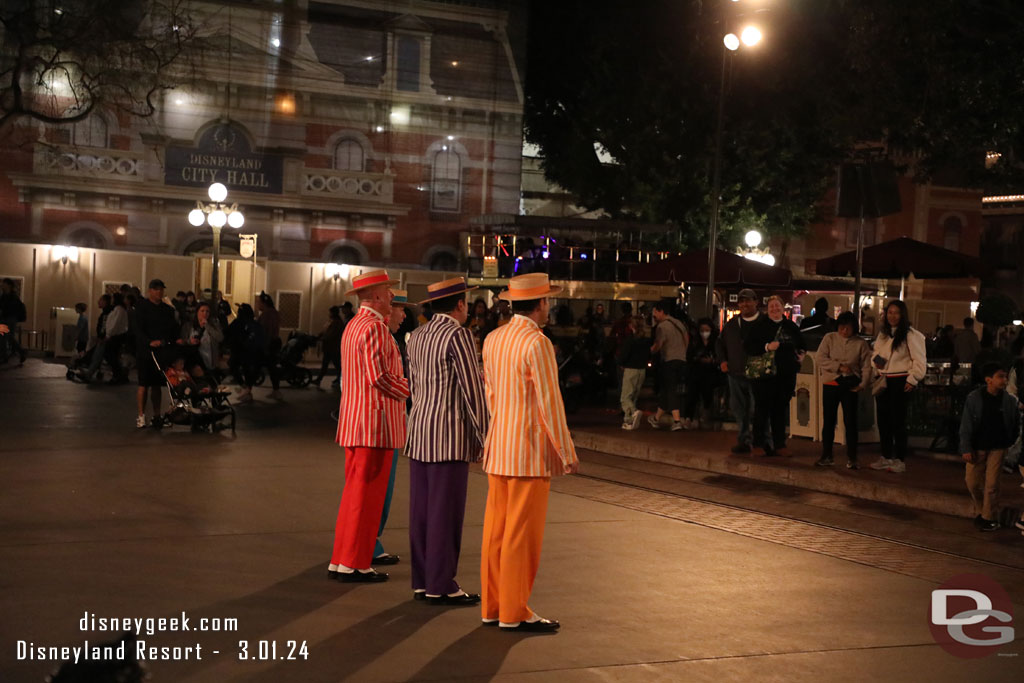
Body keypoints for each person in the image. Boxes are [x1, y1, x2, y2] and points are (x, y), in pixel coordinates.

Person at [480, 273, 578, 633]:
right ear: (539, 304)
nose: (549, 306)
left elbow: (491, 394)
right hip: (529, 452)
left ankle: (492, 606)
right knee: (522, 535)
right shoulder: (537, 343)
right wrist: (566, 452)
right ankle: (514, 611)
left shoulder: (493, 338)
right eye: (547, 300)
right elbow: (550, 403)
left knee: (496, 532)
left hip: (499, 446)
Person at [406, 278, 489, 605]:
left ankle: (422, 580)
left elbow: (414, 385)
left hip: (420, 430)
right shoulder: (459, 336)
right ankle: (442, 584)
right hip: (449, 436)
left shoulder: (417, 336)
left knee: (422, 513)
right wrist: (485, 436)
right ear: (459, 305)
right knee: (446, 512)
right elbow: (473, 391)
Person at [328, 270, 409, 583]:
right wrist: (408, 388)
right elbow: (380, 376)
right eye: (388, 291)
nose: (391, 296)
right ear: (376, 295)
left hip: (355, 422)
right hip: (374, 426)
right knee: (367, 499)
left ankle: (342, 558)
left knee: (353, 496)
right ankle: (355, 563)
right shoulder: (375, 327)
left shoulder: (353, 325)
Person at [368, 289, 412, 567]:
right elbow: (380, 377)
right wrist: (409, 389)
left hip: (385, 422)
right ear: (387, 306)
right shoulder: (378, 333)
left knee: (380, 490)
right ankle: (368, 543)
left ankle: (370, 542)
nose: (404, 315)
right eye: (401, 309)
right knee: (378, 490)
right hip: (379, 423)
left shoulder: (385, 334)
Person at [959, 363, 1021, 531]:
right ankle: (982, 510)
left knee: (992, 484)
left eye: (1005, 376)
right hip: (978, 447)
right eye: (1000, 376)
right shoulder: (974, 398)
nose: (1004, 380)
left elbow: (1015, 424)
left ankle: (989, 517)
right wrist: (966, 448)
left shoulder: (1009, 401)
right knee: (972, 482)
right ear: (989, 380)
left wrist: (1010, 442)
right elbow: (966, 425)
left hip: (998, 447)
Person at [869, 300, 927, 473]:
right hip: (884, 379)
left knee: (898, 421)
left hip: (900, 380)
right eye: (890, 312)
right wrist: (877, 366)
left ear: (903, 315)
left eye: (896, 313)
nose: (892, 316)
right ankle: (886, 456)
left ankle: (899, 459)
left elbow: (919, 359)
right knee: (883, 420)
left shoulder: (911, 335)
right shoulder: (884, 335)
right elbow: (876, 355)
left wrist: (913, 378)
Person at [744, 296, 806, 457]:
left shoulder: (790, 326)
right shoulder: (759, 326)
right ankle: (758, 444)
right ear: (767, 309)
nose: (774, 309)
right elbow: (749, 346)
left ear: (783, 308)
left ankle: (780, 444)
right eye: (771, 307)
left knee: (780, 410)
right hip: (764, 376)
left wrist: (801, 356)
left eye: (777, 306)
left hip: (785, 375)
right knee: (761, 410)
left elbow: (801, 345)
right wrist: (767, 347)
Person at [815, 312, 872, 468]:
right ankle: (827, 455)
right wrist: (838, 367)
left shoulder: (860, 343)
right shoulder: (830, 338)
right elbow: (820, 358)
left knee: (850, 421)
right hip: (832, 383)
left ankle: (852, 458)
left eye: (848, 328)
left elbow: (866, 366)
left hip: (850, 385)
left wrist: (863, 384)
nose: (844, 331)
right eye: (841, 327)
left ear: (854, 328)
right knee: (828, 421)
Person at [716, 289, 769, 454]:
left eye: (748, 301)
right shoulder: (732, 324)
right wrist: (723, 361)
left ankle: (763, 441)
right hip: (735, 373)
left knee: (759, 409)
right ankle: (743, 439)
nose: (744, 304)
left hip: (758, 374)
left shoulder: (765, 323)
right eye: (741, 301)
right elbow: (720, 343)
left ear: (756, 302)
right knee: (739, 409)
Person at [133, 279, 178, 428]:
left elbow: (172, 330)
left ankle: (157, 415)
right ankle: (141, 415)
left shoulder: (167, 310)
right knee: (143, 384)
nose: (159, 292)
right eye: (156, 289)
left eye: (161, 289)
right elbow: (137, 329)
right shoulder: (141, 307)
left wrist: (165, 342)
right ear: (150, 291)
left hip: (160, 352)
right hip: (145, 351)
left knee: (157, 385)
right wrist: (148, 342)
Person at [648, 301, 688, 431]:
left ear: (661, 311)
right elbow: (686, 338)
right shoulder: (678, 323)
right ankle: (656, 418)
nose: (654, 315)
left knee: (670, 389)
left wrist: (649, 351)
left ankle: (677, 421)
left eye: (655, 312)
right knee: (666, 390)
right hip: (681, 360)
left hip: (669, 360)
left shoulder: (662, 327)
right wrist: (683, 351)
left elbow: (658, 344)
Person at [683, 318, 719, 430]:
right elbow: (689, 356)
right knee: (692, 395)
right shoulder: (695, 342)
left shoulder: (715, 342)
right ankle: (689, 418)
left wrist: (712, 361)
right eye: (702, 330)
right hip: (695, 372)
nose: (704, 332)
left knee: (707, 395)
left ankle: (705, 417)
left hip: (710, 373)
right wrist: (697, 358)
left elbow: (719, 356)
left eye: (707, 330)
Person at [617, 315, 650, 430]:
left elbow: (624, 354)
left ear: (632, 326)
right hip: (642, 370)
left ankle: (633, 413)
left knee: (625, 397)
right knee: (634, 395)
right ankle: (629, 420)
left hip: (631, 369)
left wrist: (620, 362)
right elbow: (648, 354)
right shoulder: (646, 340)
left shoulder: (630, 339)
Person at [179, 301, 224, 379]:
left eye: (207, 311)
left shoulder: (214, 325)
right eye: (202, 311)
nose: (205, 313)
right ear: (197, 312)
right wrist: (190, 341)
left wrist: (207, 326)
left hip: (209, 359)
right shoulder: (188, 326)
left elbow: (220, 338)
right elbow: (182, 341)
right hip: (194, 359)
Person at [255, 292, 283, 400]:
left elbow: (267, 331)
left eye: (259, 302)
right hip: (272, 344)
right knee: (271, 368)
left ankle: (247, 389)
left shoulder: (267, 314)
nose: (258, 305)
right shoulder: (274, 313)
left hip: (268, 345)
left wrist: (264, 346)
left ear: (264, 303)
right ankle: (276, 390)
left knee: (266, 367)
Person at [314, 306, 343, 388]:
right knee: (327, 364)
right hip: (329, 347)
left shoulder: (337, 322)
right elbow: (325, 331)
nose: (329, 314)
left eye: (330, 312)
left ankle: (340, 379)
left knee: (336, 365)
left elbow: (332, 334)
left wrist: (322, 338)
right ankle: (319, 379)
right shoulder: (332, 321)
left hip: (333, 347)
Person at [0, 278, 27, 364]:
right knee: (5, 337)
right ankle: (6, 356)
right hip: (4, 319)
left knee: (7, 337)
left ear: (8, 285)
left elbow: (12, 309)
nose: (2, 285)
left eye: (4, 283)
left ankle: (20, 352)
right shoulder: (3, 296)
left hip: (10, 319)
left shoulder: (13, 297)